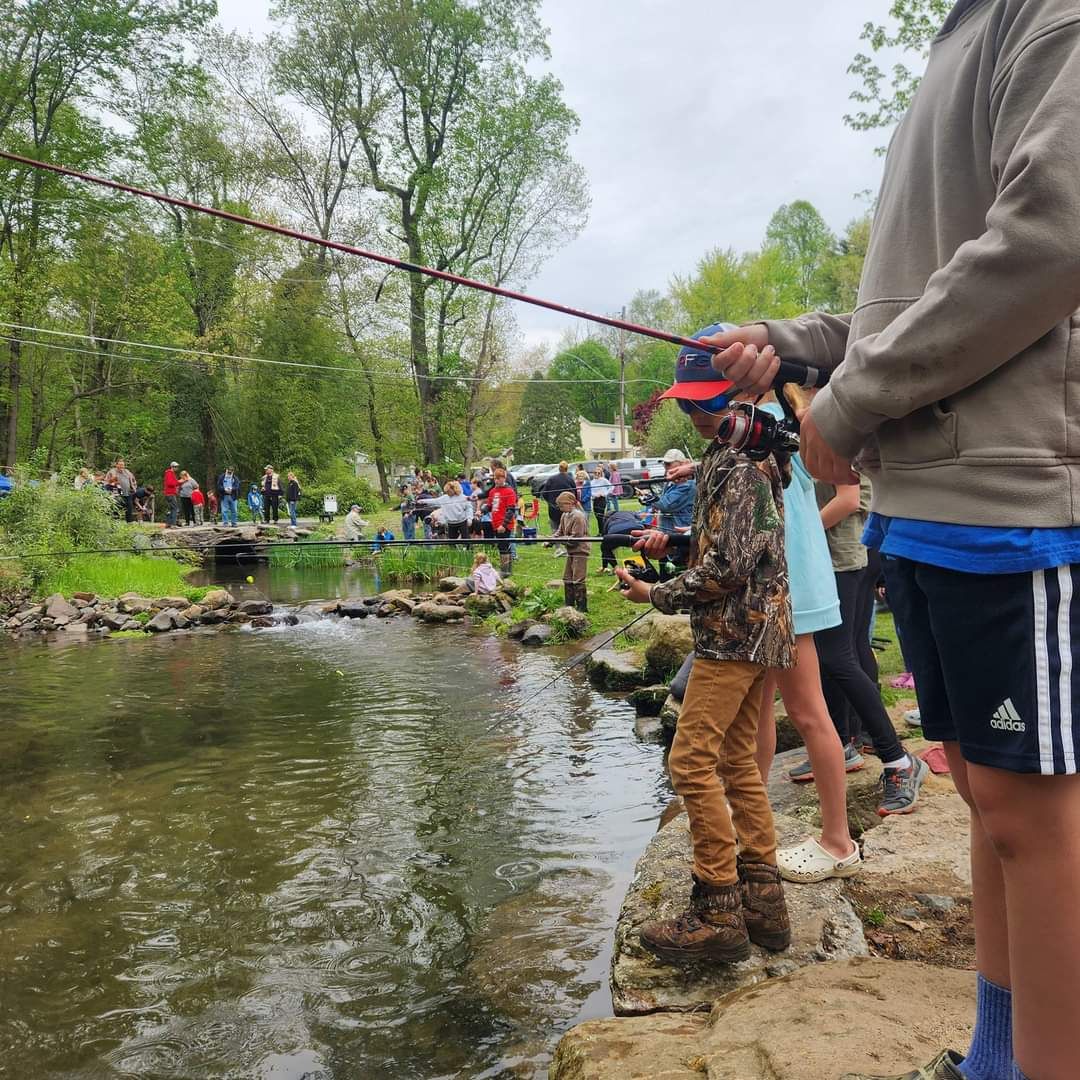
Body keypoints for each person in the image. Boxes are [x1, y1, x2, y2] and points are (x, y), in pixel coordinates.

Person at [711, 3, 1080, 1075]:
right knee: (982, 787)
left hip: (1014, 502)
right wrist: (789, 343)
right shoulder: (955, 37)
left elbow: (1053, 233)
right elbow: (907, 302)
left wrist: (849, 404)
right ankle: (993, 1056)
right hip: (926, 499)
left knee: (1036, 817)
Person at [615, 328, 795, 965]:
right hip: (756, 631)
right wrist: (680, 543)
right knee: (740, 761)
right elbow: (736, 543)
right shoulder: (735, 451)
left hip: (733, 635)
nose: (693, 414)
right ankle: (765, 908)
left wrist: (656, 596)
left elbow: (732, 568)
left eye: (697, 403)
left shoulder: (740, 461)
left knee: (690, 763)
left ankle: (718, 908)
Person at [754, 397, 860, 882]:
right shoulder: (773, 420)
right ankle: (752, 825)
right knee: (755, 708)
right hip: (770, 581)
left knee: (806, 710)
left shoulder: (776, 422)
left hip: (791, 581)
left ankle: (837, 841)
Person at [637, 449, 696, 535]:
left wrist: (648, 496)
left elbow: (666, 505)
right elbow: (662, 500)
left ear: (681, 464)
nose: (665, 466)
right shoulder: (670, 481)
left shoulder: (687, 485)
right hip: (668, 531)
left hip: (680, 534)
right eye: (664, 463)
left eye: (668, 463)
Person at [551, 489, 589, 613]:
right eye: (559, 506)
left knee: (578, 578)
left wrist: (560, 540)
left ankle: (582, 607)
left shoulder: (578, 516)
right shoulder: (564, 515)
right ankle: (569, 605)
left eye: (562, 505)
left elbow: (575, 538)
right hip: (571, 551)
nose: (560, 508)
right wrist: (551, 540)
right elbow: (560, 531)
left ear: (570, 503)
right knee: (567, 577)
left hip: (580, 550)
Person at [484, 466, 517, 576]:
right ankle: (505, 571)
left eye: (499, 478)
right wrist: (481, 511)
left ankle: (506, 571)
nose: (497, 480)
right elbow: (489, 506)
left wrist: (504, 525)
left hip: (504, 524)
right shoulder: (493, 491)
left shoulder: (509, 491)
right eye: (495, 478)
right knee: (500, 546)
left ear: (504, 478)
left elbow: (511, 510)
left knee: (504, 546)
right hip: (495, 522)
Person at [537, 461, 576, 535]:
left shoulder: (551, 479)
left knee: (555, 527)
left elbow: (544, 493)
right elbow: (574, 495)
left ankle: (557, 545)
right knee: (567, 526)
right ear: (567, 469)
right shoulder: (570, 480)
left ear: (559, 468)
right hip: (567, 508)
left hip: (553, 508)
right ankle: (566, 543)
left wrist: (550, 502)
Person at [106, 458, 137, 523]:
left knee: (129, 506)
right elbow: (107, 481)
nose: (121, 466)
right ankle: (115, 521)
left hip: (127, 492)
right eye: (120, 465)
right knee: (117, 506)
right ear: (116, 465)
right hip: (116, 492)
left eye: (122, 465)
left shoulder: (127, 472)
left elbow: (133, 479)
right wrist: (112, 480)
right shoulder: (112, 471)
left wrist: (134, 487)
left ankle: (129, 522)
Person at [588, 465, 611, 531]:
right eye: (595, 473)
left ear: (601, 473)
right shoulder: (591, 482)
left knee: (601, 516)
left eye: (599, 473)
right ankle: (600, 531)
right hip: (595, 500)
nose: (597, 474)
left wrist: (605, 493)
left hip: (602, 499)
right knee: (597, 516)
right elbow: (590, 491)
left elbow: (611, 487)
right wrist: (595, 495)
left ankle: (603, 531)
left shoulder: (604, 480)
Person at [162, 461, 180, 527]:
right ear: (172, 467)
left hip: (169, 493)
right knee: (175, 508)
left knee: (171, 508)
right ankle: (173, 524)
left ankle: (168, 523)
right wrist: (178, 482)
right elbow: (170, 483)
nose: (177, 468)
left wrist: (177, 482)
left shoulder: (170, 473)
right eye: (176, 467)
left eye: (177, 467)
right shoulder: (170, 473)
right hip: (170, 493)